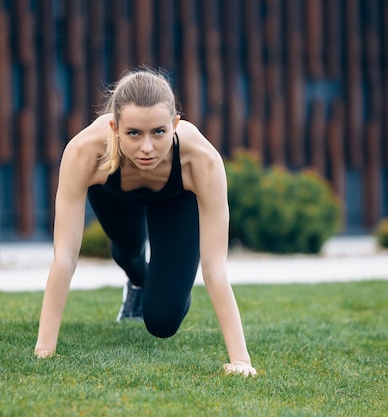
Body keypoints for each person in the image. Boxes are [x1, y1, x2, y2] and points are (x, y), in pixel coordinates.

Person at [34, 67, 257, 377]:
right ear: (114, 128)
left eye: (159, 132)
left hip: (175, 201)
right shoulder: (85, 152)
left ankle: (160, 289)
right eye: (134, 133)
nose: (147, 147)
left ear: (175, 125)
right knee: (127, 251)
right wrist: (45, 349)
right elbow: (65, 256)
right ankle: (137, 281)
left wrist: (241, 361)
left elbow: (215, 267)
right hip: (114, 195)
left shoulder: (202, 161)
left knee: (162, 321)